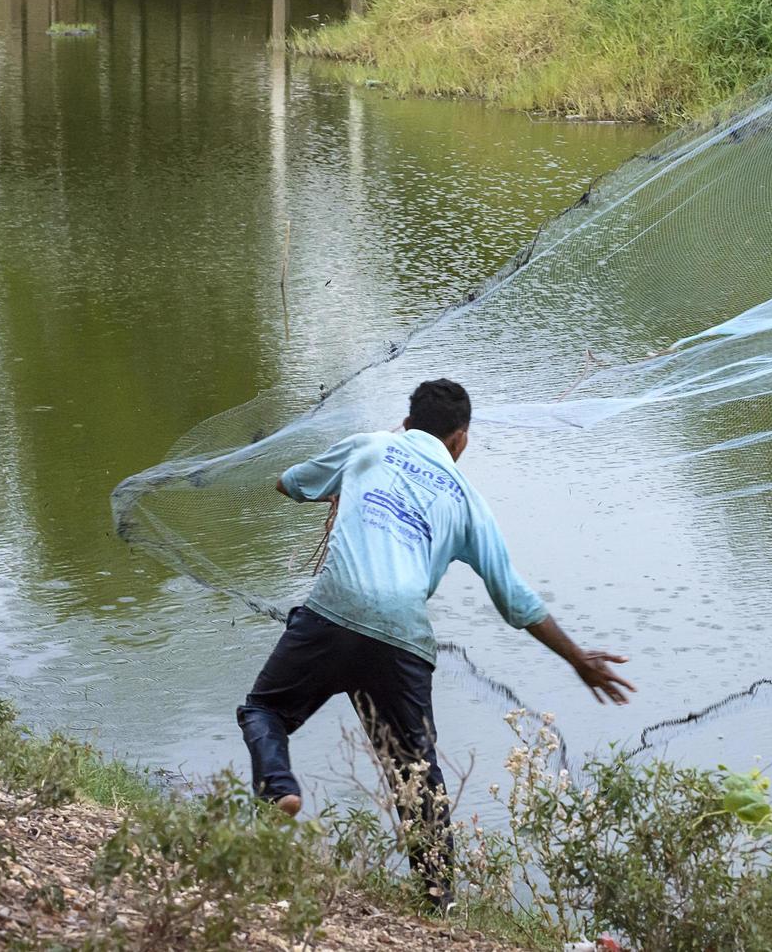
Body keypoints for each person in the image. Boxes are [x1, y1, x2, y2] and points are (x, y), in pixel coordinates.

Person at [236, 378, 635, 907]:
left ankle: (279, 787)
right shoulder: (468, 500)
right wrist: (576, 657)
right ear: (460, 441)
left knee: (264, 711)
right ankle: (439, 899)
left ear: (407, 423)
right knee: (416, 773)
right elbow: (514, 598)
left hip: (332, 616)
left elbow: (289, 484)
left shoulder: (370, 447)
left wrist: (345, 487)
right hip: (401, 641)